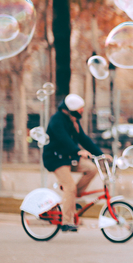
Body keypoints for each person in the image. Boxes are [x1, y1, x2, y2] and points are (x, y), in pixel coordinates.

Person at [43, 94, 105, 232]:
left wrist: (101, 155)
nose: (82, 110)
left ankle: (72, 199)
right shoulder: (57, 120)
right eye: (80, 108)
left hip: (68, 157)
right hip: (55, 159)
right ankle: (67, 221)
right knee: (70, 186)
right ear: (72, 109)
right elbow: (63, 138)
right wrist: (78, 151)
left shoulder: (73, 120)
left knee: (92, 169)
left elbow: (83, 138)